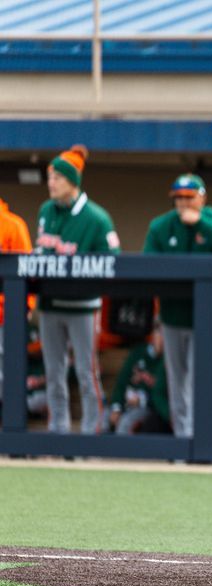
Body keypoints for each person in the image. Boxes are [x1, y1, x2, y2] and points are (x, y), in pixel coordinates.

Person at [143, 173, 212, 439]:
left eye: (189, 197)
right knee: (177, 381)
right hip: (173, 316)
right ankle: (183, 438)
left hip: (207, 318)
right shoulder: (161, 225)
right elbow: (148, 264)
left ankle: (204, 436)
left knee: (202, 379)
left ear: (202, 197)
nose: (183, 203)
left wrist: (201, 224)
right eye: (179, 198)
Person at [33, 145, 120, 435]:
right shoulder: (46, 210)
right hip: (50, 305)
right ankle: (58, 432)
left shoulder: (97, 217)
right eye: (50, 177)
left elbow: (114, 262)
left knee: (86, 372)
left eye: (57, 177)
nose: (51, 183)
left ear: (72, 181)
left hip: (83, 306)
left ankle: (90, 434)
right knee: (53, 374)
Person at [108, 325, 171, 434]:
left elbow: (161, 396)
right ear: (153, 335)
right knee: (103, 420)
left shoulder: (168, 362)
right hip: (126, 404)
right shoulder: (138, 353)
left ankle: (118, 451)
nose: (162, 340)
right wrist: (116, 408)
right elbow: (121, 384)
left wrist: (142, 400)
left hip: (147, 408)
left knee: (125, 423)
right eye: (159, 334)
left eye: (166, 336)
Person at [0, 195, 33, 404]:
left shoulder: (12, 225)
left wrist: (25, 307)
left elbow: (27, 270)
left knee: (6, 375)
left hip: (4, 316)